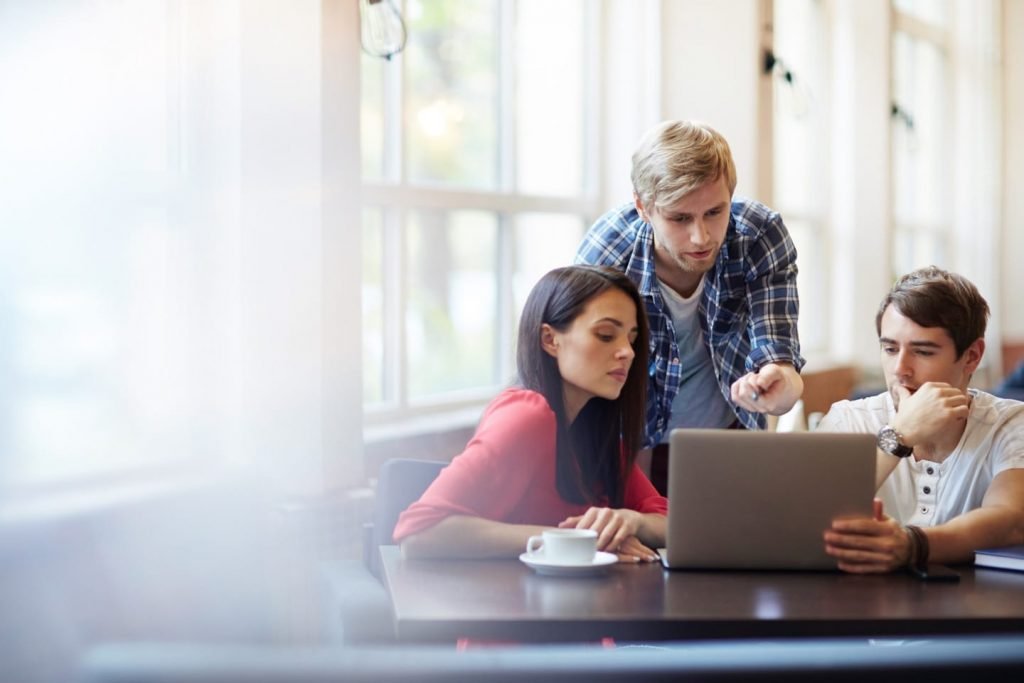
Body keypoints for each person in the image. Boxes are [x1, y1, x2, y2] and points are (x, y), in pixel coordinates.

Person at [575, 120, 804, 492]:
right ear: (643, 206)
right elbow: (582, 379)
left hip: (727, 440)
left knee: (736, 543)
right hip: (625, 443)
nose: (701, 237)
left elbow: (780, 360)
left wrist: (779, 387)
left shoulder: (758, 236)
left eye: (715, 212)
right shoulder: (607, 256)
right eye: (680, 218)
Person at [394, 265, 667, 562]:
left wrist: (633, 521)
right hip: (501, 604)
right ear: (550, 340)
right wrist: (575, 541)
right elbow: (419, 532)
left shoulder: (594, 431)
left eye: (631, 338)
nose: (627, 351)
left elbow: (673, 524)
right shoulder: (527, 416)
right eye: (605, 335)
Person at [819, 266, 1024, 573]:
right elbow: (811, 516)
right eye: (889, 348)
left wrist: (911, 545)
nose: (900, 368)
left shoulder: (1010, 423)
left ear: (972, 356)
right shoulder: (847, 420)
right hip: (852, 603)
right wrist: (899, 436)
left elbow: (1011, 520)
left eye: (923, 351)